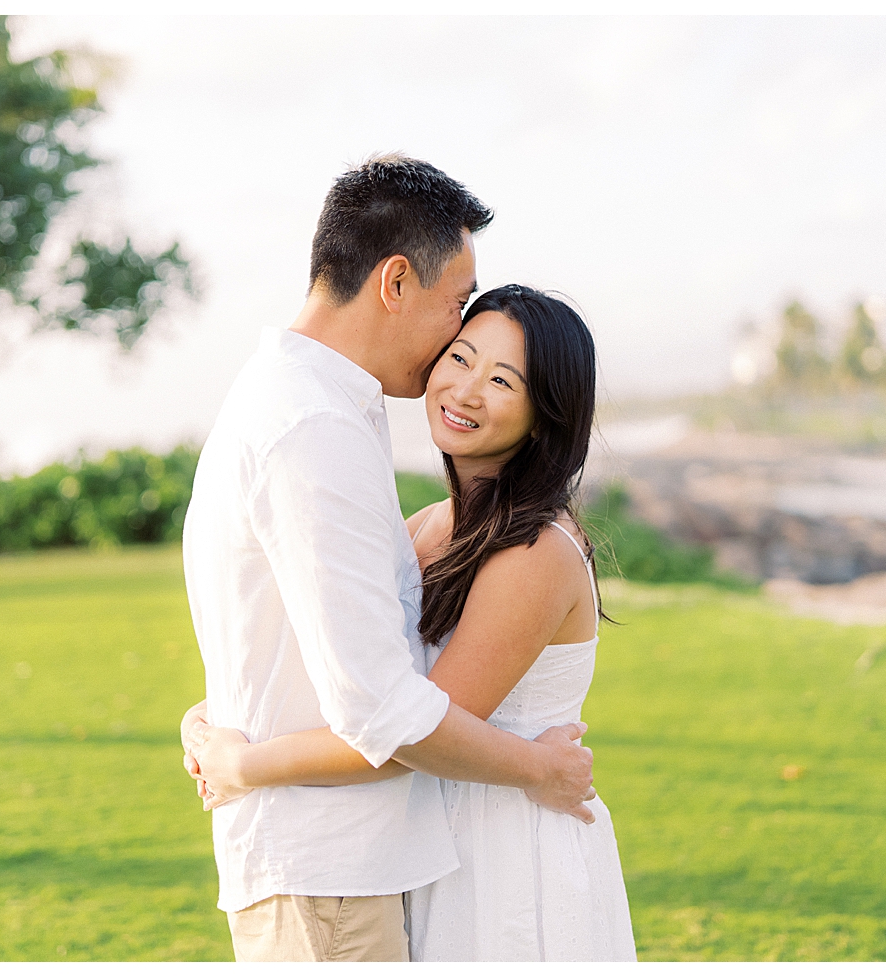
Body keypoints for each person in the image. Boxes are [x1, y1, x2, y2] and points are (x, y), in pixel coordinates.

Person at [178, 155, 596, 963]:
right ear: (396, 282)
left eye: (501, 374)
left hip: (375, 862)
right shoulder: (314, 429)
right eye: (457, 308)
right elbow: (383, 709)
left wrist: (228, 738)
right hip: (326, 870)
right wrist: (539, 769)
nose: (455, 345)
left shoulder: (317, 408)